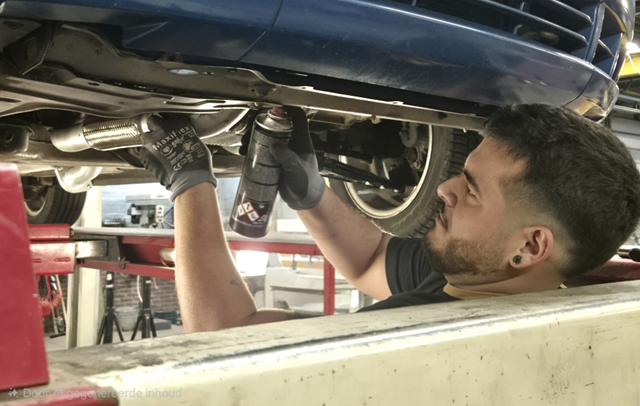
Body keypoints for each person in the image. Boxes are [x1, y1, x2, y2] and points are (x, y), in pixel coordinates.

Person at [140, 104, 640, 332]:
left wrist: (191, 183)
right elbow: (370, 260)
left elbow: (225, 330)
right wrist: (311, 194)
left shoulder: (422, 338)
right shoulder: (481, 274)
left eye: (470, 190)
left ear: (530, 247)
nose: (444, 189)